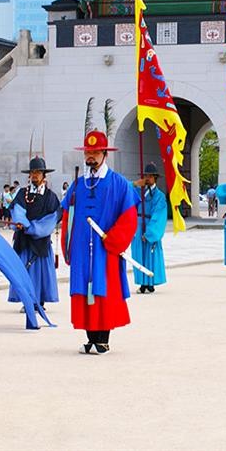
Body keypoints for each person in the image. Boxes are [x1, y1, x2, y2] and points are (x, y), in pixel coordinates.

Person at [60, 130, 138, 355]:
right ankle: (90, 336)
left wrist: (114, 240)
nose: (91, 157)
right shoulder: (78, 185)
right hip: (82, 249)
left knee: (106, 288)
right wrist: (68, 244)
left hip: (106, 249)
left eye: (95, 152)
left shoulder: (119, 184)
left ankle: (103, 337)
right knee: (83, 289)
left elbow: (129, 217)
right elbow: (67, 214)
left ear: (105, 154)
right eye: (88, 152)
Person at [9, 157, 62, 311]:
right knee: (25, 270)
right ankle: (27, 301)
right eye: (33, 172)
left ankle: (39, 301)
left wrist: (34, 229)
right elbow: (17, 211)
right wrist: (23, 224)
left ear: (44, 175)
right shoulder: (22, 193)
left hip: (40, 240)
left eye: (38, 172)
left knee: (40, 272)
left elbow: (52, 219)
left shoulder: (50, 196)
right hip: (24, 240)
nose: (35, 175)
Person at [131, 163, 168, 291]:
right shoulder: (137, 191)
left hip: (149, 225)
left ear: (155, 178)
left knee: (150, 254)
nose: (147, 178)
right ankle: (142, 283)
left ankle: (150, 282)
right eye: (146, 175)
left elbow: (159, 215)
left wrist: (150, 233)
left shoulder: (160, 196)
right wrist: (135, 184)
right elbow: (123, 191)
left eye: (150, 176)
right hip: (138, 225)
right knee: (139, 255)